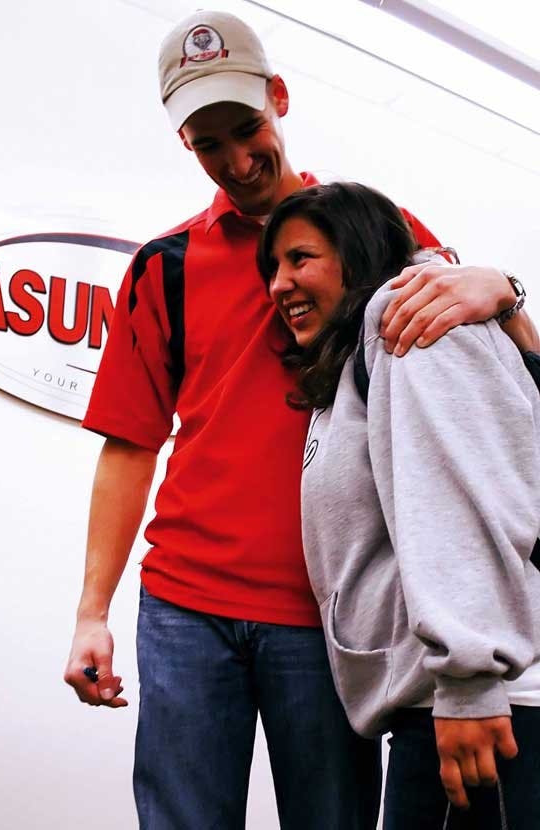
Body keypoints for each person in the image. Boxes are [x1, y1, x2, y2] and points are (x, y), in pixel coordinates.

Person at [63, 10, 540, 829]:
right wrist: (91, 613)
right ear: (186, 144)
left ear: (278, 98)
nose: (235, 159)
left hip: (322, 622)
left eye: (246, 128)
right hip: (186, 608)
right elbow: (129, 445)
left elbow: (479, 364)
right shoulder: (163, 267)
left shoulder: (380, 234)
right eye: (208, 143)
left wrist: (505, 291)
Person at [259, 180, 540, 829]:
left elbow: (459, 496)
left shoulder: (411, 319)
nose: (278, 284)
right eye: (272, 267)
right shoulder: (365, 352)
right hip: (445, 703)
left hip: (483, 709)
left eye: (300, 258)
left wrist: (469, 682)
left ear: (357, 251)